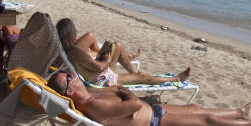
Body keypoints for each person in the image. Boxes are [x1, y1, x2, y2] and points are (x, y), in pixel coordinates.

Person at [47, 71, 251, 126]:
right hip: (154, 124)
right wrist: (126, 93)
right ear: (69, 90)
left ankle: (240, 111)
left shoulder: (88, 93)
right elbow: (131, 106)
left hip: (154, 111)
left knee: (195, 109)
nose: (72, 74)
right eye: (69, 77)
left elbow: (115, 90)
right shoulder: (93, 106)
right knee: (207, 120)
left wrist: (121, 91)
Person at [56, 17, 190, 87]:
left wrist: (103, 58)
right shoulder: (75, 51)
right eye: (75, 32)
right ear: (69, 33)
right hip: (102, 80)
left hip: (97, 75)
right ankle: (176, 78)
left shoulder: (68, 49)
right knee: (142, 77)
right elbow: (99, 67)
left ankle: (133, 72)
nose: (76, 35)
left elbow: (92, 65)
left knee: (117, 46)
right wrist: (106, 60)